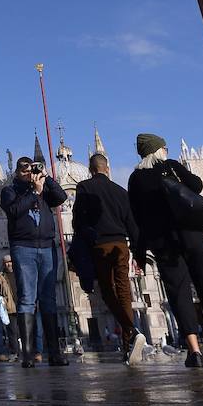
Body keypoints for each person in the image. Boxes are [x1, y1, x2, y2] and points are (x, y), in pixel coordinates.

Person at [127, 134, 203, 368]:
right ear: (157, 150)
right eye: (164, 147)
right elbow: (197, 186)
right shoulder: (171, 167)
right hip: (192, 235)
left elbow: (136, 218)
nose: (166, 150)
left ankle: (194, 352)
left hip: (163, 243)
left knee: (179, 296)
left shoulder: (135, 179)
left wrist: (139, 253)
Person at [73, 152, 147, 365]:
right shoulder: (121, 191)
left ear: (90, 169)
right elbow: (132, 224)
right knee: (125, 291)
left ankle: (131, 332)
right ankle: (127, 346)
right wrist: (139, 253)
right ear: (107, 168)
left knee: (107, 291)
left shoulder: (84, 187)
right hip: (122, 245)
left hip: (100, 245)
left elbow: (79, 220)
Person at [1, 156, 70, 367]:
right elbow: (13, 211)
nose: (28, 172)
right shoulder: (9, 191)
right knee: (27, 299)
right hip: (23, 248)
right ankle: (28, 354)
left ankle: (55, 353)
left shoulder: (43, 187)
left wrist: (46, 178)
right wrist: (34, 193)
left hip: (47, 247)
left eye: (31, 169)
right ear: (16, 172)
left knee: (48, 300)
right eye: (24, 169)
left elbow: (61, 197)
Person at [0, 255, 19, 357]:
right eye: (5, 262)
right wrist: (2, 301)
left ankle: (28, 352)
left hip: (21, 306)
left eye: (9, 262)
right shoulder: (0, 277)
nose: (8, 264)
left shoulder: (19, 273)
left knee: (24, 330)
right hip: (9, 308)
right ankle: (15, 352)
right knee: (12, 332)